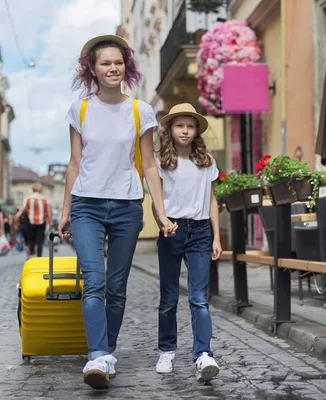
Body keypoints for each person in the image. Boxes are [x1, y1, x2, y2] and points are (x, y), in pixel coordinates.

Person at [57, 34, 177, 390]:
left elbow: (150, 166)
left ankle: (106, 353)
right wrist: (65, 210)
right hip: (86, 206)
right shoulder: (79, 110)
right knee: (94, 281)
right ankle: (97, 356)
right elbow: (74, 164)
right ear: (92, 69)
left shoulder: (141, 111)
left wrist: (162, 211)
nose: (112, 68)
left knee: (117, 287)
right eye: (105, 63)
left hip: (126, 207)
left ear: (127, 67)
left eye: (118, 62)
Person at [153, 103, 222, 382]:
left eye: (190, 126)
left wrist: (217, 236)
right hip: (172, 230)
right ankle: (167, 351)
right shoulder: (160, 162)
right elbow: (157, 203)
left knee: (199, 298)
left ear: (196, 131)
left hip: (201, 231)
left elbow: (212, 200)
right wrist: (163, 223)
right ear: (170, 128)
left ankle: (203, 354)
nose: (185, 130)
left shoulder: (206, 161)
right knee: (169, 298)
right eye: (179, 125)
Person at [15, 183, 51, 258]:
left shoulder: (28, 198)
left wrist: (17, 219)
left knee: (31, 240)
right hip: (41, 222)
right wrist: (49, 221)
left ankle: (32, 256)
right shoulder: (44, 199)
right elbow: (47, 212)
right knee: (40, 241)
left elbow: (24, 209)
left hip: (31, 222)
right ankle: (39, 256)